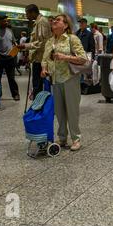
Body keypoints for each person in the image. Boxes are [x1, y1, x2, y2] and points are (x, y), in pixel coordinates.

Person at [41, 14, 86, 151]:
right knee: (59, 112)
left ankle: (76, 139)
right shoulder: (49, 41)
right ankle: (62, 138)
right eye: (54, 20)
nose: (54, 21)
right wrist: (43, 69)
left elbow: (83, 58)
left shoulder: (72, 39)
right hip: (55, 80)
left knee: (72, 111)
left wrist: (65, 57)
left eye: (58, 20)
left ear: (65, 25)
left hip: (70, 78)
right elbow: (44, 59)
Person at [18, 4, 52, 98]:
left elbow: (43, 42)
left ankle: (38, 107)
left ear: (33, 12)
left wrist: (25, 46)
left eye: (27, 13)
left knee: (38, 85)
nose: (26, 16)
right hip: (37, 58)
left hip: (41, 59)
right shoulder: (38, 22)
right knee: (37, 85)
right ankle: (37, 106)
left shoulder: (42, 21)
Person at [0, 16, 20, 101]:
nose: (6, 23)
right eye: (4, 21)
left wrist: (16, 49)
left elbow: (14, 41)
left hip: (10, 57)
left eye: (7, 21)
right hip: (0, 57)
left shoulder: (10, 31)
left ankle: (15, 94)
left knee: (11, 78)